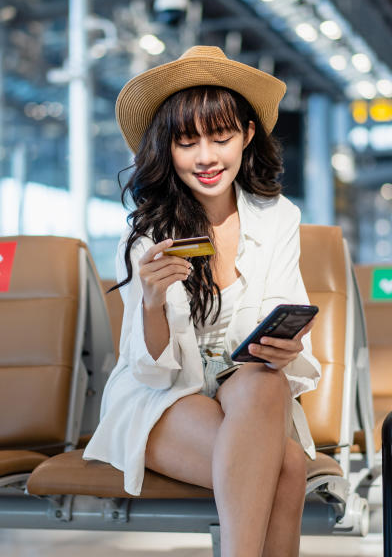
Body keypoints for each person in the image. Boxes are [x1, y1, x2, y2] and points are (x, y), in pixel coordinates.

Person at [82, 46, 321, 556]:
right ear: (167, 149)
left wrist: (286, 348)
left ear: (248, 136)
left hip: (250, 391)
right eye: (187, 142)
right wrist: (150, 302)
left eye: (221, 137)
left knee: (261, 380)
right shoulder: (151, 233)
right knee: (289, 465)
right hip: (163, 399)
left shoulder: (278, 217)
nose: (206, 157)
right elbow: (151, 373)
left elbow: (285, 316)